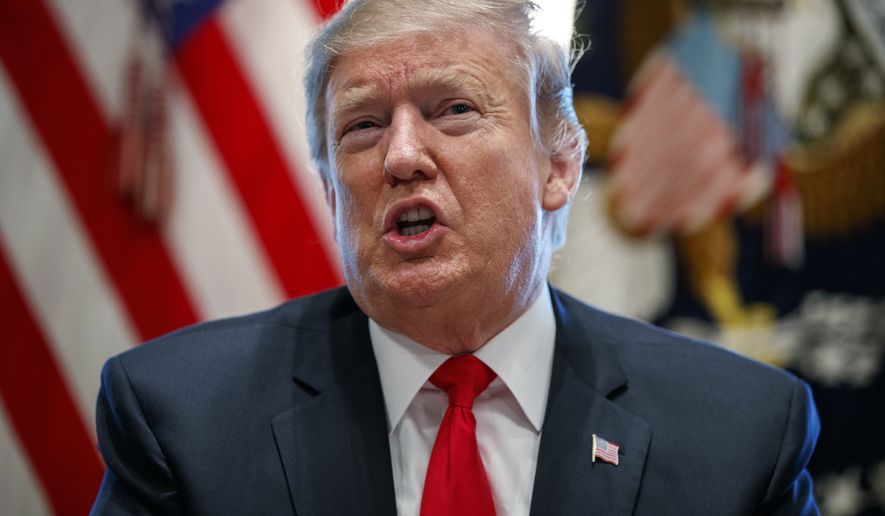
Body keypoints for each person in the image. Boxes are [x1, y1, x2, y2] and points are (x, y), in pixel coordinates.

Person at [91, 0, 820, 514]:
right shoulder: (181, 420)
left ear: (559, 164)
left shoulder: (738, 433)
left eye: (454, 109)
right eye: (364, 126)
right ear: (328, 189)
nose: (403, 156)